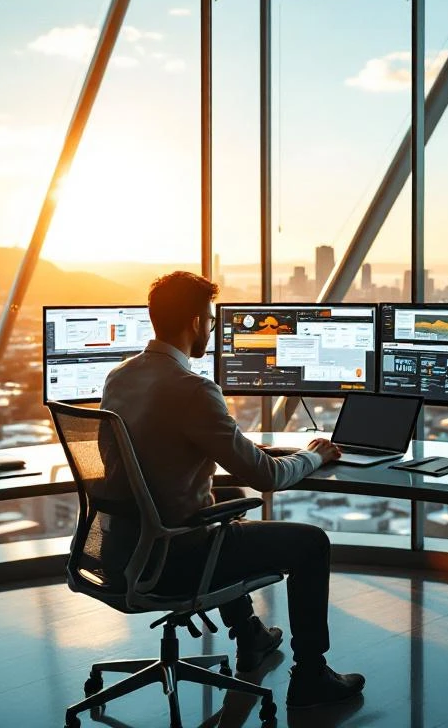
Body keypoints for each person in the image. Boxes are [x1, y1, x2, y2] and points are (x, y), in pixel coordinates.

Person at [100, 271, 365, 709]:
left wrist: (241, 447)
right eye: (208, 318)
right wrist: (316, 455)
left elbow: (163, 446)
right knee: (312, 543)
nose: (211, 327)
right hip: (175, 558)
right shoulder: (192, 388)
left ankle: (250, 634)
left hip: (121, 549)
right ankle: (312, 677)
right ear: (194, 322)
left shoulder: (120, 377)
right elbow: (266, 478)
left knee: (223, 502)